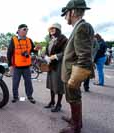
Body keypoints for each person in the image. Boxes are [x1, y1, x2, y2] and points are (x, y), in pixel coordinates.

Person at [60, 0, 94, 133]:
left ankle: (76, 126)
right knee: (72, 98)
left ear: (72, 12)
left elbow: (85, 56)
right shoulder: (80, 27)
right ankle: (75, 120)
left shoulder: (82, 27)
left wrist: (74, 79)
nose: (65, 17)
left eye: (66, 14)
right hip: (71, 72)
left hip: (73, 73)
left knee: (74, 97)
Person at [7, 24, 41, 104]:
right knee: (15, 82)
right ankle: (15, 97)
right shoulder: (13, 40)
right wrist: (10, 65)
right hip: (16, 66)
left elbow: (33, 50)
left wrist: (36, 49)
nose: (26, 31)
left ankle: (30, 96)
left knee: (28, 82)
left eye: (27, 29)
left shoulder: (29, 40)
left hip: (26, 66)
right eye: (24, 29)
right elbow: (9, 53)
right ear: (18, 30)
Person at [44, 23, 67, 112]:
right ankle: (52, 101)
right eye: (50, 28)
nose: (52, 30)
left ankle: (59, 104)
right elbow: (47, 51)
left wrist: (54, 56)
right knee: (51, 84)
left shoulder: (63, 39)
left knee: (59, 85)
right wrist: (46, 56)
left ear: (58, 29)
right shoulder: (50, 40)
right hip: (51, 65)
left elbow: (65, 52)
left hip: (59, 65)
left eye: (54, 28)